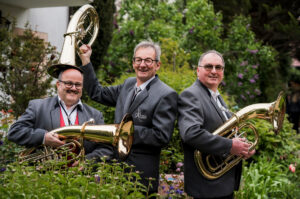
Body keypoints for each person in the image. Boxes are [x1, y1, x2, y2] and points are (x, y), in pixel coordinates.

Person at [79, 40, 178, 195]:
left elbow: (162, 136)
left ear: (157, 65)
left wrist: (125, 131)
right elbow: (96, 93)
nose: (142, 64)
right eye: (138, 60)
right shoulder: (128, 84)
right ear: (133, 63)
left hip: (141, 177)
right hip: (116, 171)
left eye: (148, 60)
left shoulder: (166, 94)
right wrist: (86, 60)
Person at [178, 50, 255, 199]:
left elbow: (227, 135)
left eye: (218, 67)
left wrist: (243, 148)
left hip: (221, 185)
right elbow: (191, 133)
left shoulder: (217, 97)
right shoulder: (191, 95)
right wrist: (230, 146)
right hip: (206, 187)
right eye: (208, 66)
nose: (214, 71)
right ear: (198, 70)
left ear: (223, 72)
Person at [8, 65, 113, 164]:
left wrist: (86, 161)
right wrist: (43, 137)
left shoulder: (95, 114)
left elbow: (105, 148)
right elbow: (15, 131)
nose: (73, 88)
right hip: (43, 177)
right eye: (69, 83)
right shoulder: (38, 107)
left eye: (78, 85)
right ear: (58, 84)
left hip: (83, 178)